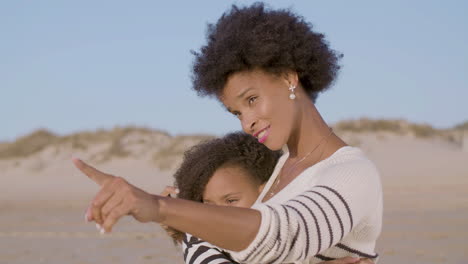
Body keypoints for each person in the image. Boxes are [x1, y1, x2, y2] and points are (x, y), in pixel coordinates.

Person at [73, 3, 382, 264]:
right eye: (237, 112)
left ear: (288, 78)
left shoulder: (352, 173)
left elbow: (282, 236)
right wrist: (183, 217)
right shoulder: (278, 167)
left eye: (251, 100)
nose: (246, 123)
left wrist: (161, 209)